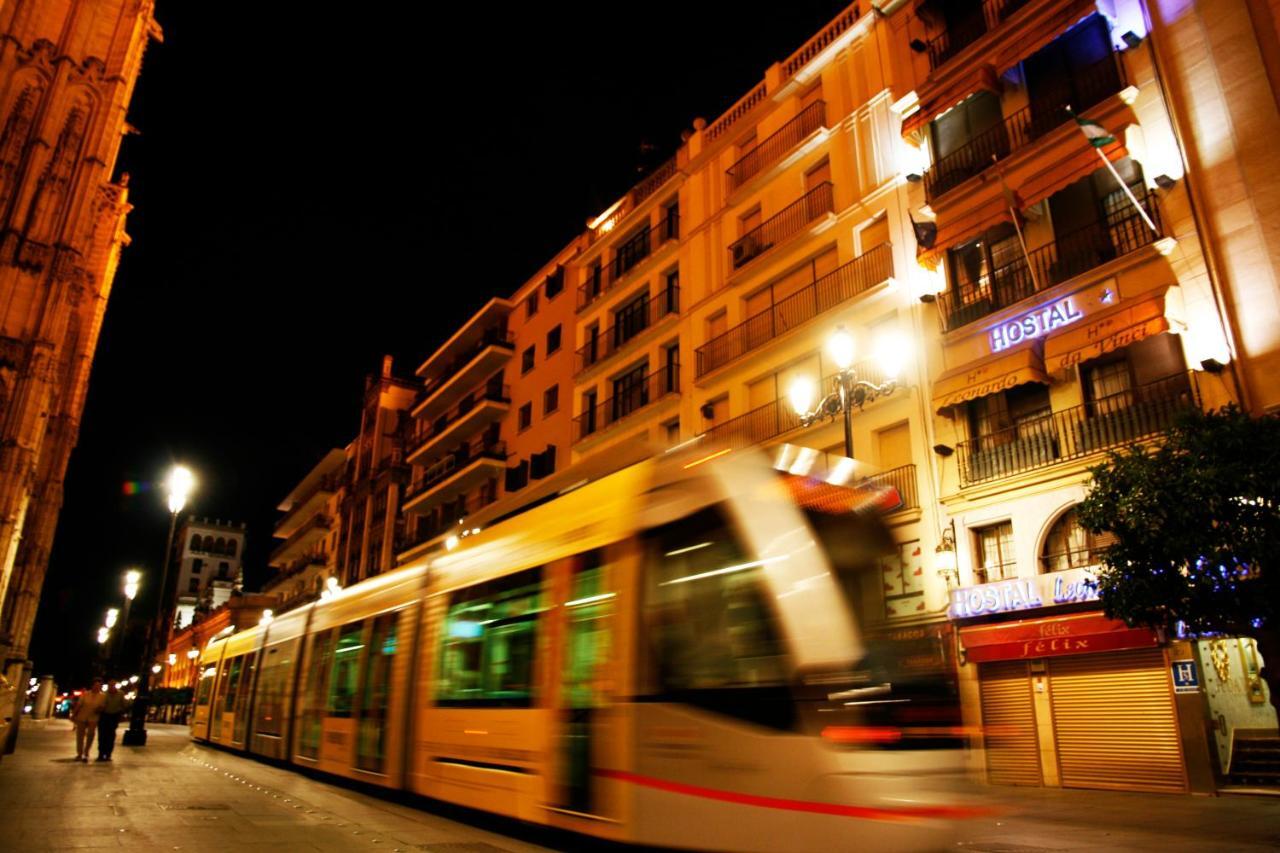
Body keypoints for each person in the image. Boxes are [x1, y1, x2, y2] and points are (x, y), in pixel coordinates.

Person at [70, 679, 105, 762]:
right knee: (80, 736)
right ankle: (79, 753)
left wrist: (100, 709)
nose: (97, 687)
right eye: (95, 685)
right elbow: (79, 705)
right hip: (82, 717)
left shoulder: (103, 696)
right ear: (92, 686)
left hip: (93, 718)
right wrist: (73, 714)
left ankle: (86, 752)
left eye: (99, 686)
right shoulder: (85, 694)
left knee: (90, 735)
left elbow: (103, 707)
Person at [96, 682, 130, 761]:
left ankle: (108, 754)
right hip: (104, 716)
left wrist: (123, 709)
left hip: (114, 717)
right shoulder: (104, 694)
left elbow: (124, 704)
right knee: (102, 736)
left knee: (111, 736)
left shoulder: (120, 694)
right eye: (110, 685)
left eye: (113, 685)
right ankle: (101, 754)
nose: (111, 687)